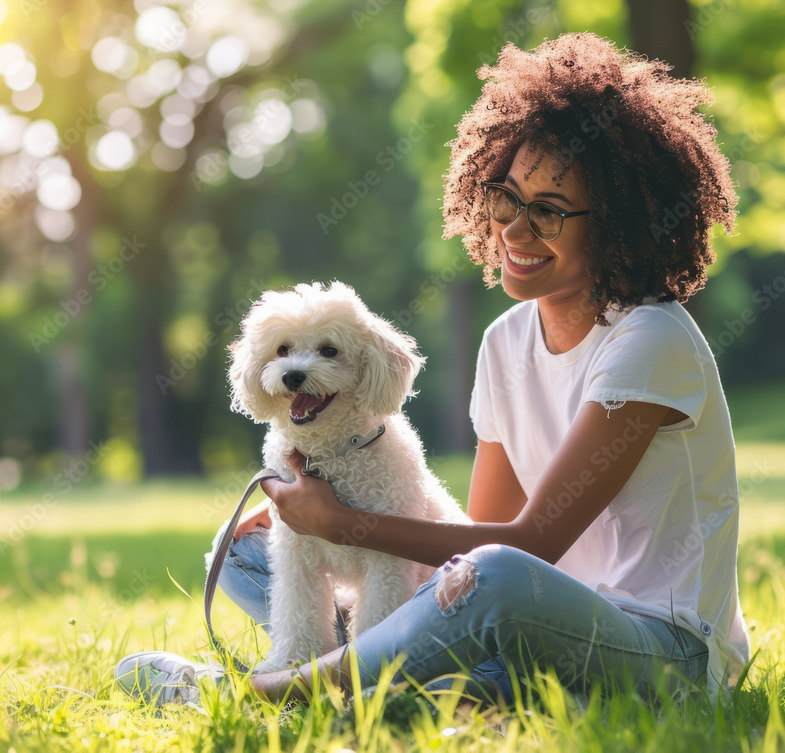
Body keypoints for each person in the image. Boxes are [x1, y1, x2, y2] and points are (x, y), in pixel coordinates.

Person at [114, 32, 750, 710]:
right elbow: (468, 551)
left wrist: (344, 525)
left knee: (497, 577)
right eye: (506, 196)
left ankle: (271, 692)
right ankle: (418, 686)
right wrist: (313, 525)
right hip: (523, 628)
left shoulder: (649, 338)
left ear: (619, 222)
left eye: (550, 211)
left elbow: (528, 545)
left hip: (663, 655)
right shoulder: (506, 340)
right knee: (247, 552)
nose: (513, 229)